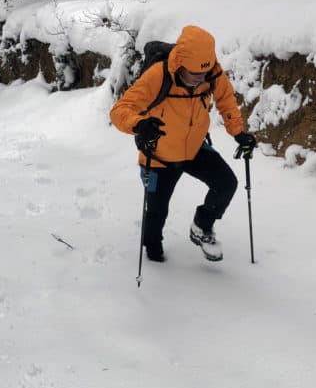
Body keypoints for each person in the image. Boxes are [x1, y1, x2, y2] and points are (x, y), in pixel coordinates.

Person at [110, 24, 257, 263]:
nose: (201, 78)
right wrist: (139, 124)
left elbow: (226, 100)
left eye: (205, 73)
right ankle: (153, 250)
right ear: (180, 65)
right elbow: (120, 110)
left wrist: (239, 132)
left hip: (194, 148)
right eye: (194, 74)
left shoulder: (211, 72)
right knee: (157, 212)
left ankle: (202, 226)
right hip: (159, 156)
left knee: (226, 183)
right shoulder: (158, 75)